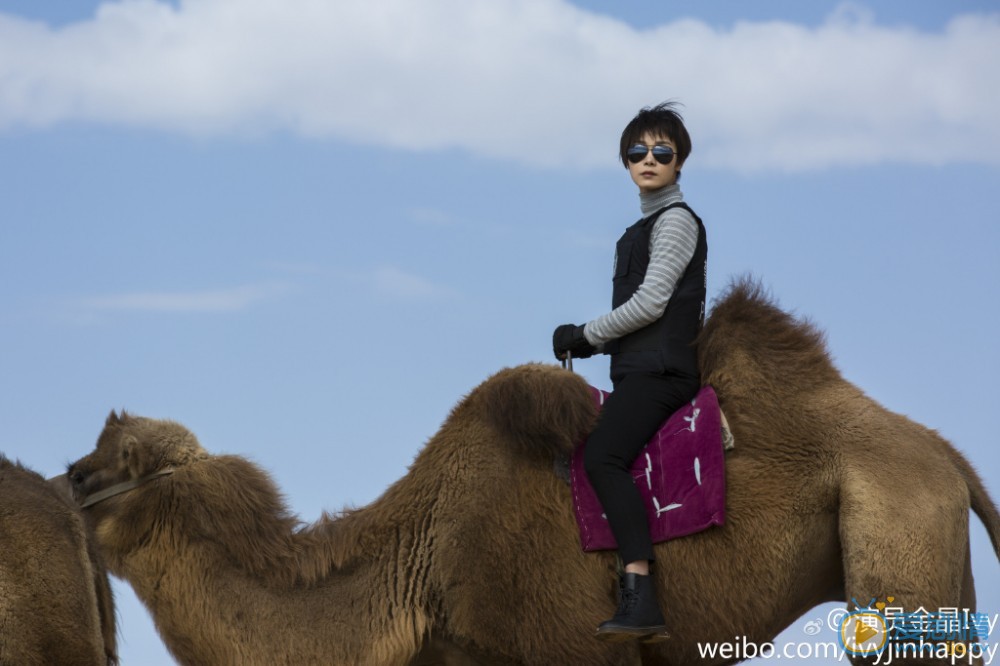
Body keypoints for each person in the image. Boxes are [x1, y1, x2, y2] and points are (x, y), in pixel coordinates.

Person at [552, 102, 707, 642]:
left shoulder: (676, 222)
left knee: (603, 456)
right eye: (637, 151)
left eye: (661, 151)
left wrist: (586, 335)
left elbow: (652, 302)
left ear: (680, 160)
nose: (649, 159)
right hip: (640, 371)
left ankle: (640, 594)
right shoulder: (637, 230)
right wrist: (597, 344)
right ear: (625, 161)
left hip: (663, 374)